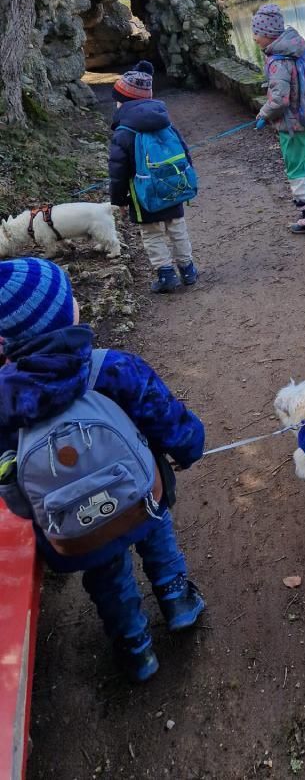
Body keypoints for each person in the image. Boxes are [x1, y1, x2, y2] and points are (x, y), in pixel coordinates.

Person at [0, 258, 206, 682]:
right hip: (140, 498)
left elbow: (9, 478)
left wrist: (38, 519)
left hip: (77, 527)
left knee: (106, 573)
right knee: (157, 533)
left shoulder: (6, 401)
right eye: (70, 297)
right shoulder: (110, 367)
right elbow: (162, 415)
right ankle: (178, 600)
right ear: (64, 316)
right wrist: (190, 446)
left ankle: (134, 647)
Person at [108, 60, 199, 293]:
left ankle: (166, 275)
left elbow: (118, 169)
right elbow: (184, 150)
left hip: (144, 193)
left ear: (125, 101)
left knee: (152, 234)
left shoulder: (124, 132)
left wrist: (117, 199)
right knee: (178, 228)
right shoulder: (164, 120)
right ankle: (188, 270)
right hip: (173, 186)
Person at [252, 4, 305, 235]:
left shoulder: (278, 62)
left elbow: (279, 100)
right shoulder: (296, 51)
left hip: (291, 126)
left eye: (256, 33)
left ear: (268, 34)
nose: (254, 38)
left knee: (297, 171)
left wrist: (263, 114)